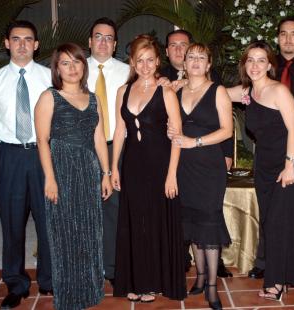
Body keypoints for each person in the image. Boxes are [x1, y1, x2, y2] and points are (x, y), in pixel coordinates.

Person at [34, 42, 112, 309]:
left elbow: (99, 138)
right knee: (64, 234)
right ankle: (68, 296)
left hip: (89, 172)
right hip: (62, 172)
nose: (71, 68)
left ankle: (89, 291)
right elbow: (42, 141)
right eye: (65, 63)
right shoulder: (49, 97)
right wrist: (50, 178)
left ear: (84, 65)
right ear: (56, 68)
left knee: (89, 232)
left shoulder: (93, 99)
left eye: (76, 62)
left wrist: (106, 173)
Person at [227, 40, 294, 301]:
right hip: (264, 165)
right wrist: (180, 83)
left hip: (287, 163)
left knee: (278, 223)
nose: (255, 65)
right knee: (270, 223)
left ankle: (276, 282)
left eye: (261, 60)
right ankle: (283, 275)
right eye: (250, 60)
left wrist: (290, 165)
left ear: (270, 64)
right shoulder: (249, 92)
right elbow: (218, 92)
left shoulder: (278, 91)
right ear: (244, 64)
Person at [111, 35, 186, 302]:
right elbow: (120, 131)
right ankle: (135, 280)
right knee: (134, 221)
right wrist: (113, 168)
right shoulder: (123, 91)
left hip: (160, 163)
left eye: (150, 60)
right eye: (139, 60)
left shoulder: (165, 92)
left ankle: (152, 282)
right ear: (132, 62)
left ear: (158, 62)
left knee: (155, 223)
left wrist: (172, 174)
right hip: (132, 164)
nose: (145, 65)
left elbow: (177, 135)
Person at [162, 28, 233, 278]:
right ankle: (201, 278)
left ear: (208, 64)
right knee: (190, 221)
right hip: (183, 166)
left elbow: (227, 131)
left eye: (201, 58)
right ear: (184, 61)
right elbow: (169, 126)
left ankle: (212, 286)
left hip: (209, 165)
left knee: (209, 222)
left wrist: (196, 142)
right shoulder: (174, 91)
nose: (195, 61)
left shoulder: (218, 91)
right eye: (191, 57)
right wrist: (171, 131)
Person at [248, 16, 294, 285]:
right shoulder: (265, 75)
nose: (288, 39)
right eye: (283, 34)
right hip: (268, 154)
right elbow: (230, 93)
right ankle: (266, 262)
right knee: (270, 212)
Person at [0, 20, 52, 309]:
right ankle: (15, 284)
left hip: (43, 155)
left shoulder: (50, 77)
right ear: (7, 43)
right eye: (16, 39)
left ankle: (50, 279)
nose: (22, 44)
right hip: (10, 156)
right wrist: (9, 145)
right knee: (12, 224)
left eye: (28, 39)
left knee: (48, 220)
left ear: (36, 44)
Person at [86, 17, 130, 285]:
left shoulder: (128, 72)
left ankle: (113, 268)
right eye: (98, 36)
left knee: (114, 208)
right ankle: (89, 268)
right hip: (84, 149)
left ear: (115, 45)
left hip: (118, 147)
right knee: (86, 209)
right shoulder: (75, 70)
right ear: (90, 41)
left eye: (109, 38)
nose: (103, 42)